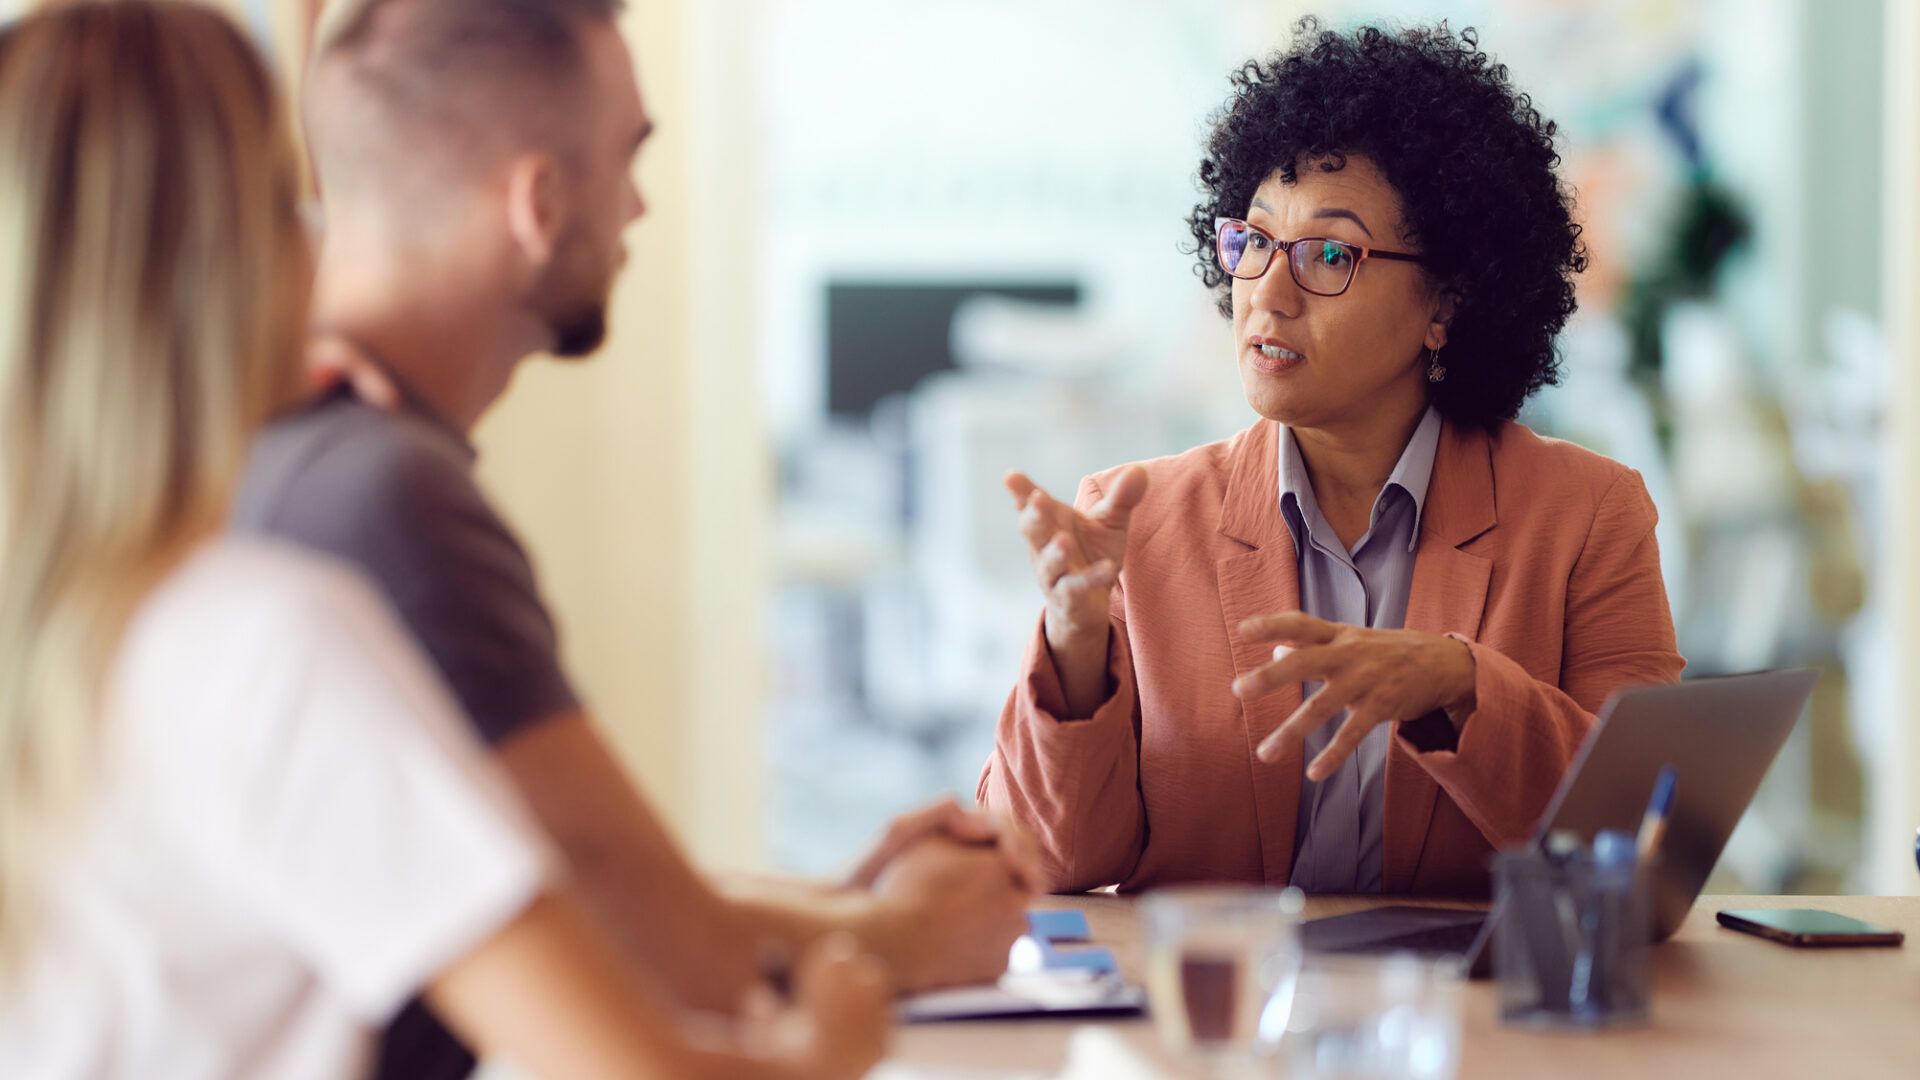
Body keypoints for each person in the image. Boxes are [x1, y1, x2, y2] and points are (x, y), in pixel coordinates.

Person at [0, 3, 889, 1078]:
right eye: (290, 204)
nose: (323, 243)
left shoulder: (65, 620)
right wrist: (834, 1040)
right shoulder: (257, 643)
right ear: (227, 263)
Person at [230, 1, 1036, 1075]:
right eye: (628, 159)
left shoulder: (309, 460)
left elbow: (587, 894)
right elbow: (675, 958)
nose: (641, 204)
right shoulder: (390, 503)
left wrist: (838, 908)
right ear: (538, 202)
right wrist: (915, 938)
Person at [980, 21, 1686, 896]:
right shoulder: (1136, 523)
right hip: (1218, 1013)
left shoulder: (1588, 517)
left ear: (1447, 300)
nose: (1267, 294)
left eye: (1328, 254)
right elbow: (1042, 863)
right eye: (1255, 242)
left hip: (1469, 1025)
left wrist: (1464, 688)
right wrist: (1074, 644)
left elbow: (1647, 847)